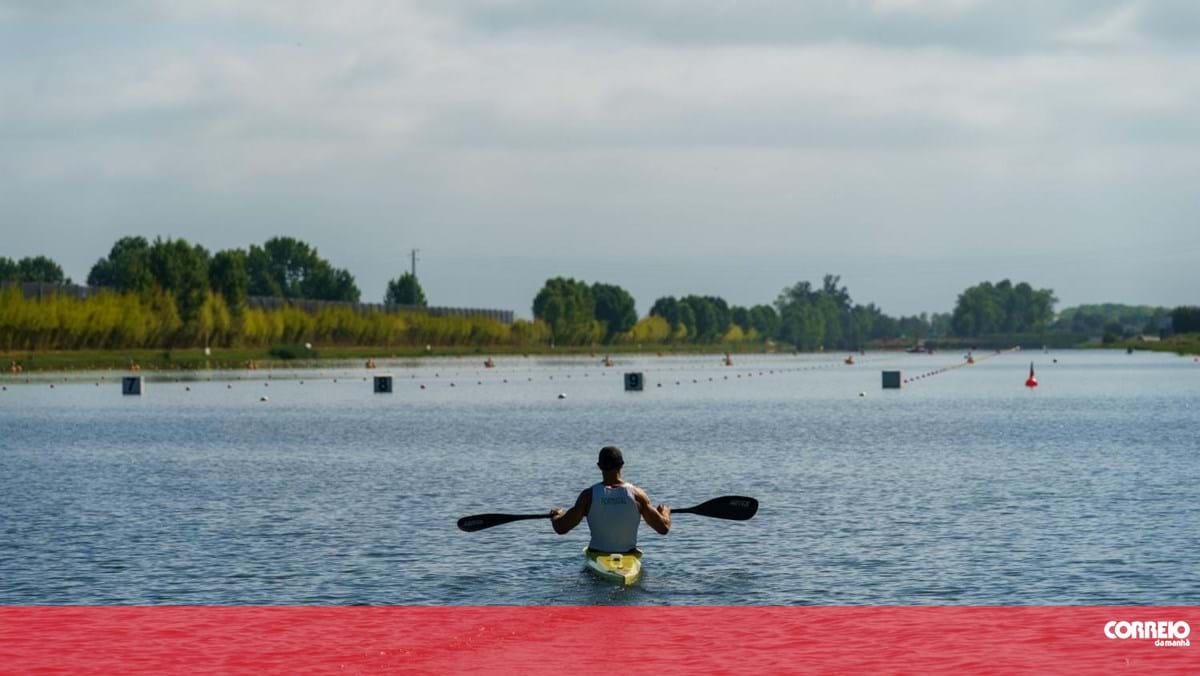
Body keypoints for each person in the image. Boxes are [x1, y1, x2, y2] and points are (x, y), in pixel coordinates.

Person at [549, 446, 670, 553]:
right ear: (622, 465)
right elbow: (663, 528)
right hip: (628, 555)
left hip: (597, 554)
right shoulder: (637, 495)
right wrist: (665, 513)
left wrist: (556, 516)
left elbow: (561, 528)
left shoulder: (588, 496)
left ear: (599, 466)